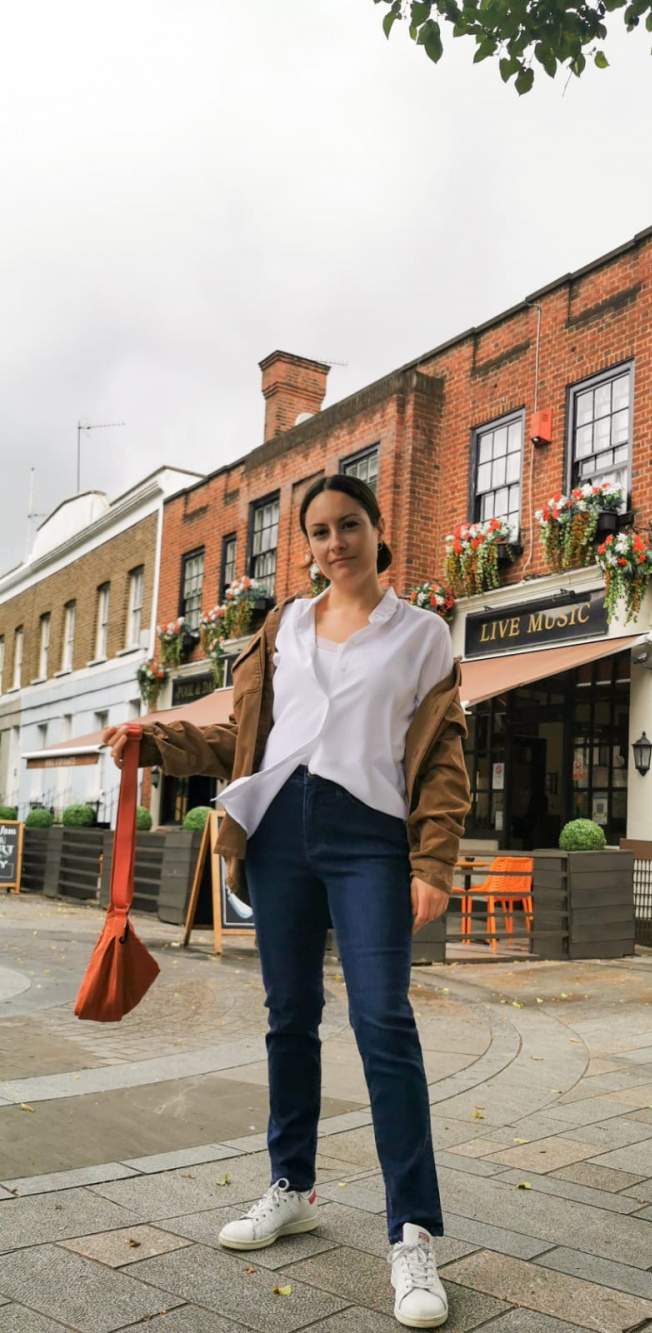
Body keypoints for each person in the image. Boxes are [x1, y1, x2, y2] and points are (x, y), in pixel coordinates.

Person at [103, 474, 471, 1329]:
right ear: (305, 543)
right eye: (318, 531)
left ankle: (411, 1231)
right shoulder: (284, 626)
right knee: (288, 1014)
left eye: (348, 525)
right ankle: (292, 1185)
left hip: (369, 836)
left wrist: (434, 861)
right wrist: (153, 741)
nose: (333, 542)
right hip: (277, 832)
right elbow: (244, 737)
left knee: (383, 1021)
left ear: (380, 531)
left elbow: (444, 757)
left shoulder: (421, 635)